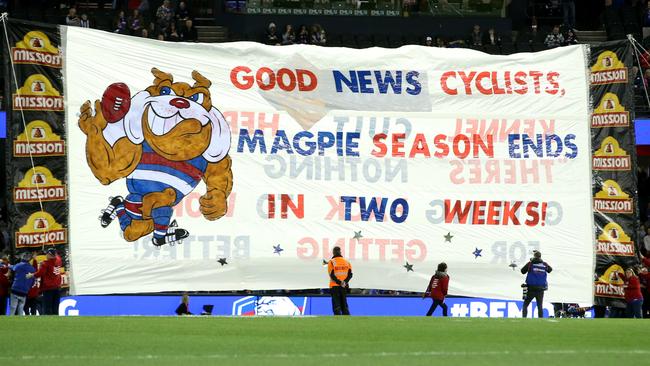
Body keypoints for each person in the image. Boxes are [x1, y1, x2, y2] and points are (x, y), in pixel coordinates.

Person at [27, 248, 61, 315]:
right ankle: (56, 322)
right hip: (57, 287)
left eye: (47, 254)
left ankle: (49, 323)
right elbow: (57, 256)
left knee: (47, 307)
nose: (46, 255)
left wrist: (31, 275)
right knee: (55, 307)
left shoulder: (45, 263)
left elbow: (40, 273)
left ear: (49, 255)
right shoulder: (58, 260)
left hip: (48, 288)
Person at [520, 250, 552, 318]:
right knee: (540, 306)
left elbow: (522, 271)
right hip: (541, 289)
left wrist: (531, 261)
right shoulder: (544, 264)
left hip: (530, 288)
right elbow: (550, 270)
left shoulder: (530, 264)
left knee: (525, 305)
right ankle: (541, 321)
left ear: (534, 256)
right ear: (540, 256)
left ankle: (524, 319)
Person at [327, 246, 352, 315]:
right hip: (344, 286)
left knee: (336, 306)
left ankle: (338, 321)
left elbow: (332, 275)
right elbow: (350, 275)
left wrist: (339, 282)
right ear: (340, 252)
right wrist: (344, 282)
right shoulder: (347, 262)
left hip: (334, 286)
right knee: (344, 305)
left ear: (333, 253)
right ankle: (347, 321)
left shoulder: (331, 262)